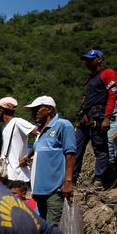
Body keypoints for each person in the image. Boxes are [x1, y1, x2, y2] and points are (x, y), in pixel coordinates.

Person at [22, 96, 75, 224]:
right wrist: (26, 158)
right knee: (44, 230)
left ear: (49, 109)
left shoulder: (63, 125)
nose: (34, 113)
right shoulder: (40, 132)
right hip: (39, 190)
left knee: (53, 229)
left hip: (54, 190)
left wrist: (68, 181)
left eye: (37, 109)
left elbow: (70, 153)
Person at [73, 49, 117, 190]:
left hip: (98, 115)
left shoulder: (108, 73)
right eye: (86, 60)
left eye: (90, 59)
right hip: (85, 118)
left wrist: (107, 117)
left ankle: (99, 179)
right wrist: (80, 116)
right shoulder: (89, 79)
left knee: (100, 148)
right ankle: (71, 179)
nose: (87, 62)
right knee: (75, 148)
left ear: (99, 59)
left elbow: (112, 96)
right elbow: (86, 99)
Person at [0, 96, 37, 186]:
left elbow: (41, 135)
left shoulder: (18, 122)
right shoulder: (6, 127)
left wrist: (27, 157)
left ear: (1, 111)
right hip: (7, 174)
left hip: (17, 176)